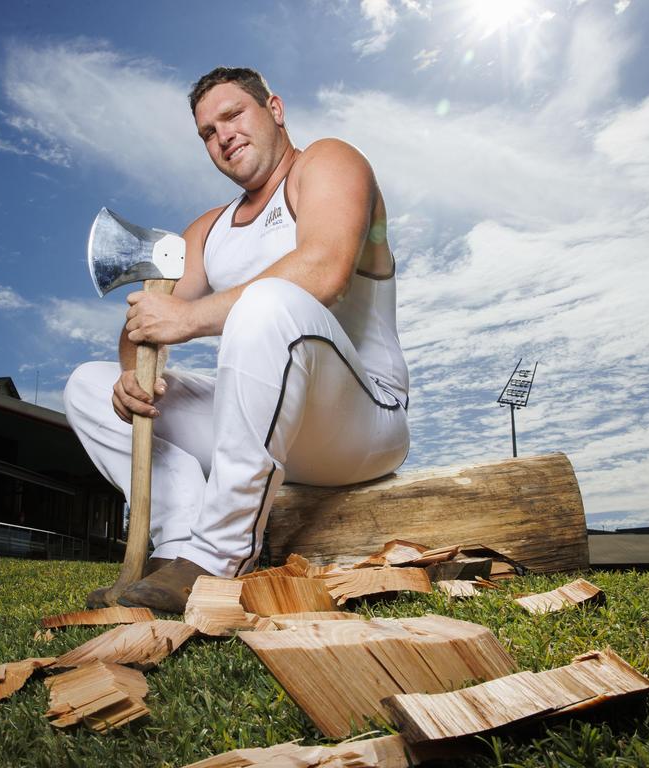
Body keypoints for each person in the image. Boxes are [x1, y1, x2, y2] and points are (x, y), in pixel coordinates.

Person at [64, 67, 410, 613]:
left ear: (274, 109)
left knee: (267, 300)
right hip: (264, 428)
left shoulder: (327, 163)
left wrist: (188, 318)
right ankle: (175, 547)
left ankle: (219, 557)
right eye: (207, 132)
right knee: (87, 385)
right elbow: (148, 319)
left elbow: (325, 268)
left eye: (233, 115)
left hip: (358, 423)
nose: (222, 135)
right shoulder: (208, 230)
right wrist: (134, 373)